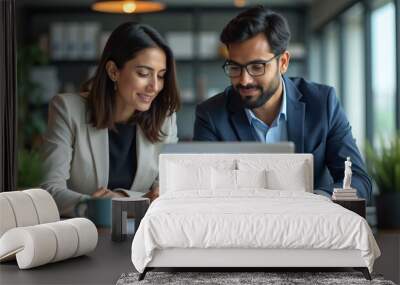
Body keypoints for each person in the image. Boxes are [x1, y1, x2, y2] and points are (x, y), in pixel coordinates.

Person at [193, 6, 372, 201]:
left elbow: (358, 180)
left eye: (257, 66)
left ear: (283, 62)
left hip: (312, 225)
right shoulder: (211, 115)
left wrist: (318, 201)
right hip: (242, 226)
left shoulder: (322, 103)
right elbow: (203, 191)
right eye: (235, 67)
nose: (244, 79)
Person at [41, 22, 180, 216]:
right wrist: (100, 205)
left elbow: (165, 194)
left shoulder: (165, 118)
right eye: (143, 74)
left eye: (161, 76)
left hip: (141, 235)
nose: (154, 86)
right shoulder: (67, 109)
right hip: (83, 234)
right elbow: (48, 191)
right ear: (113, 71)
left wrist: (119, 199)